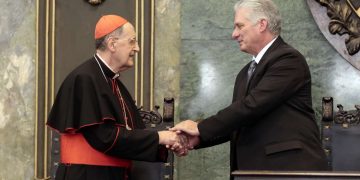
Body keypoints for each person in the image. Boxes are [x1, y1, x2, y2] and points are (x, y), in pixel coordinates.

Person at [171, 0, 328, 173]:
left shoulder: (288, 60)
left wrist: (199, 128)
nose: (234, 34)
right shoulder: (245, 72)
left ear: (262, 24)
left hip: (288, 170)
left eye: (239, 26)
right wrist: (198, 138)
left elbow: (251, 106)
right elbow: (239, 121)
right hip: (252, 171)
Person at [47, 15, 186, 180]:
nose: (137, 49)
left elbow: (132, 137)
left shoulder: (113, 83)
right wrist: (160, 137)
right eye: (132, 41)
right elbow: (105, 138)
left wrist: (167, 142)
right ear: (112, 44)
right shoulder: (85, 78)